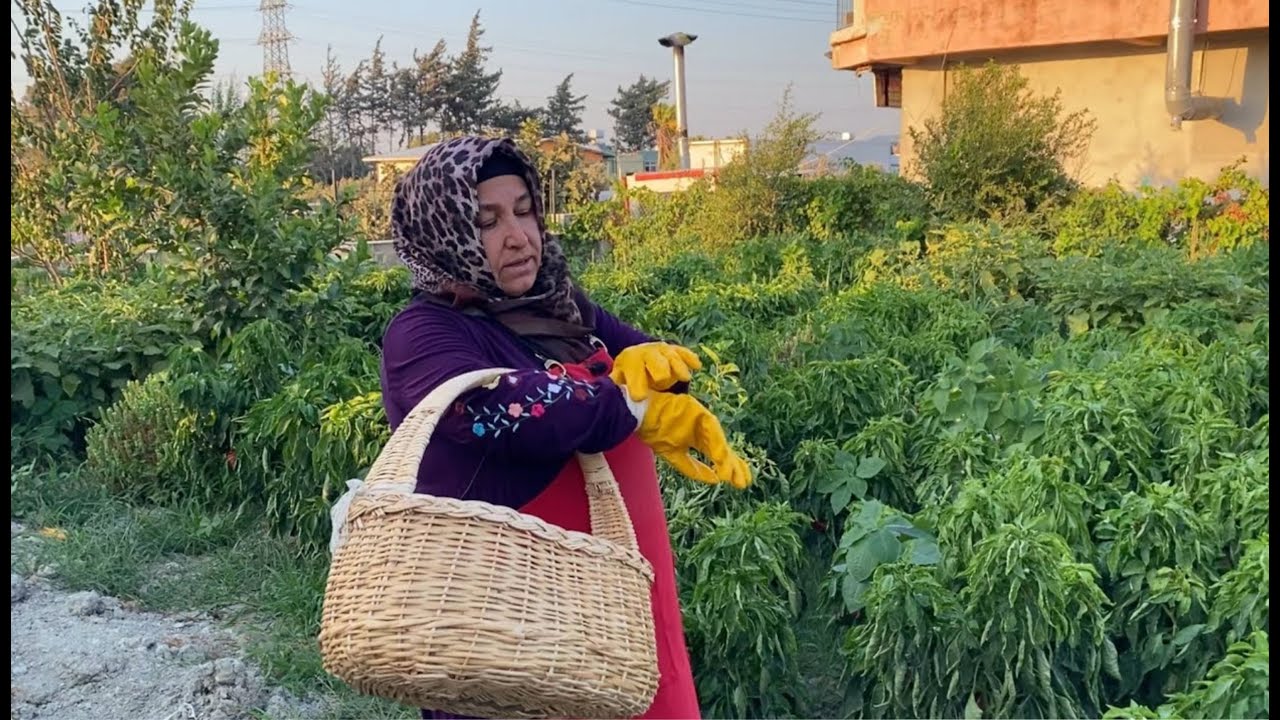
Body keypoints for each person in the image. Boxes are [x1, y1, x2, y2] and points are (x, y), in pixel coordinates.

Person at [378, 135, 752, 720]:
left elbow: (643, 360)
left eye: (525, 210)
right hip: (509, 626)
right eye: (487, 220)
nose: (518, 236)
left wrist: (672, 389)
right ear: (444, 232)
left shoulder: (560, 305)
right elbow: (502, 409)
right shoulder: (423, 333)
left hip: (613, 597)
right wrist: (629, 407)